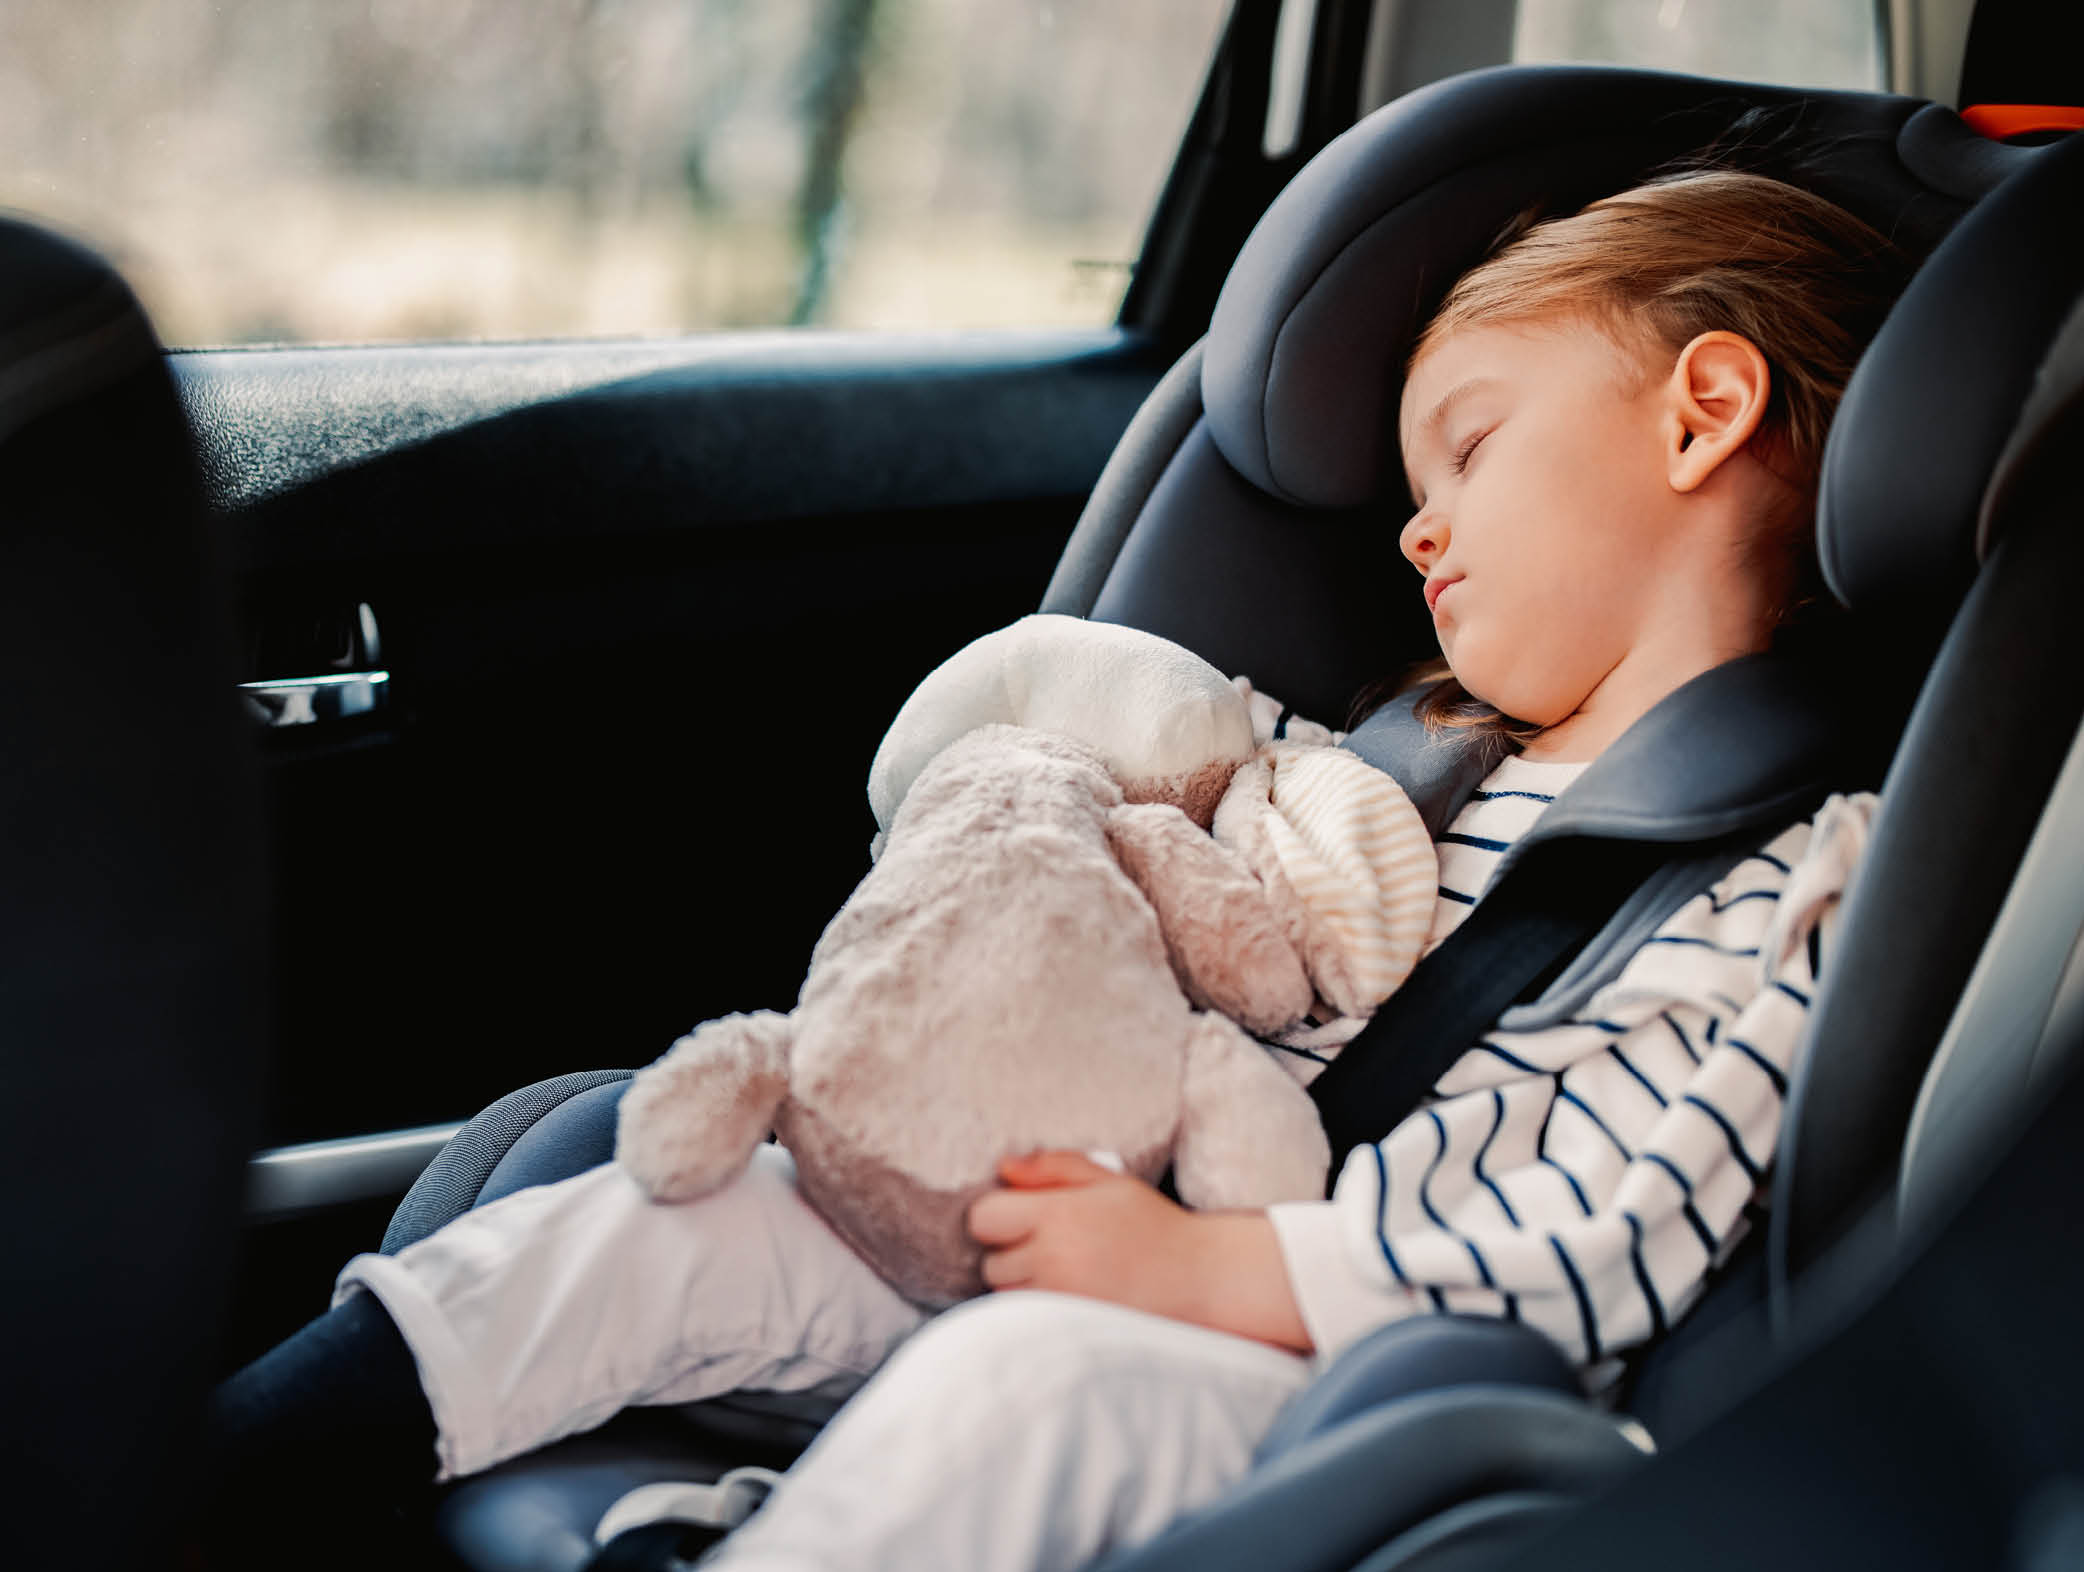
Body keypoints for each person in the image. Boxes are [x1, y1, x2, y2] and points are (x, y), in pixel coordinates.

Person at [199, 169, 1907, 1571]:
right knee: (659, 1213)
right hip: (1111, 1220)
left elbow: (1615, 1240)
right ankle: (203, 1495)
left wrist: (1204, 1276)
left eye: (1469, 446)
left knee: (1023, 1385)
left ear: (1705, 412)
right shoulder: (1395, 768)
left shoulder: (1791, 876)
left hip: (1362, 1385)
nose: (1416, 528)